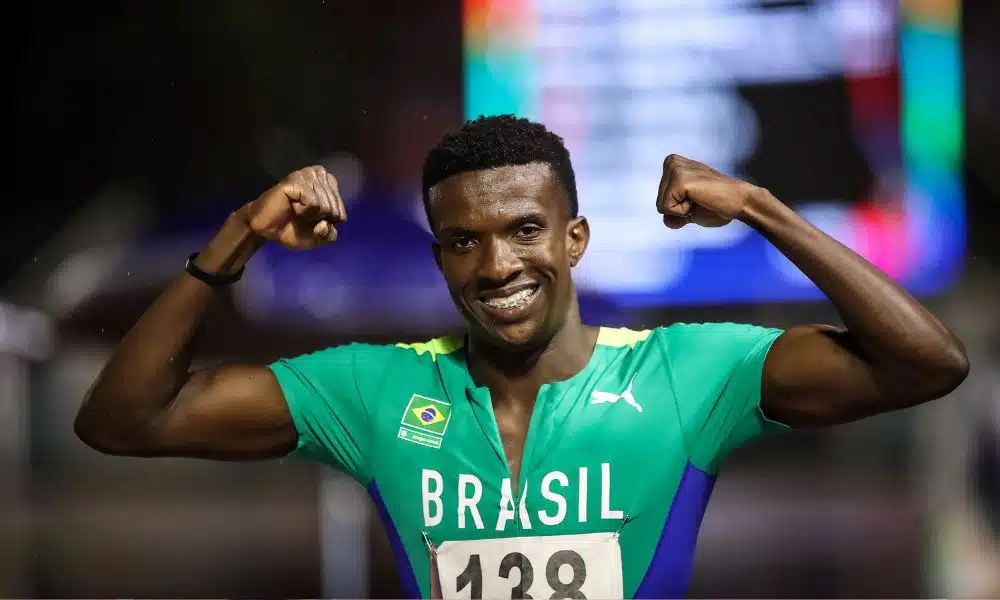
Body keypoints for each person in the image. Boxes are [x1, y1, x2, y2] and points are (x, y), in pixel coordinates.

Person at [75, 115, 969, 599]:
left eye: (525, 230)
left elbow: (928, 363)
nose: (497, 264)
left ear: (575, 238)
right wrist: (236, 238)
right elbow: (123, 420)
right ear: (439, 258)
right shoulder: (378, 387)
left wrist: (761, 208)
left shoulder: (684, 373)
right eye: (463, 241)